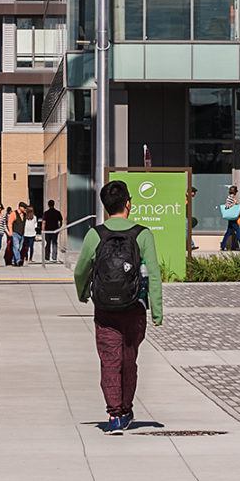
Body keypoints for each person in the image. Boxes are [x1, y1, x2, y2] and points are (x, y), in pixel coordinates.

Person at [74, 179, 163, 433]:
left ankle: (114, 415)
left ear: (105, 207)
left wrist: (82, 293)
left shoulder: (95, 234)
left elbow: (81, 270)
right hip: (134, 308)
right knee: (129, 358)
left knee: (109, 360)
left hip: (104, 309)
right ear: (128, 204)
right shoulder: (142, 233)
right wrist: (156, 310)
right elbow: (154, 274)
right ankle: (126, 408)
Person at [219, 186, 240, 251]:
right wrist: (234, 203)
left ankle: (223, 245)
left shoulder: (231, 198)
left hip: (232, 218)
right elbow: (227, 206)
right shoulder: (230, 198)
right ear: (235, 192)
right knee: (238, 231)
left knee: (228, 232)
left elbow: (236, 210)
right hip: (233, 219)